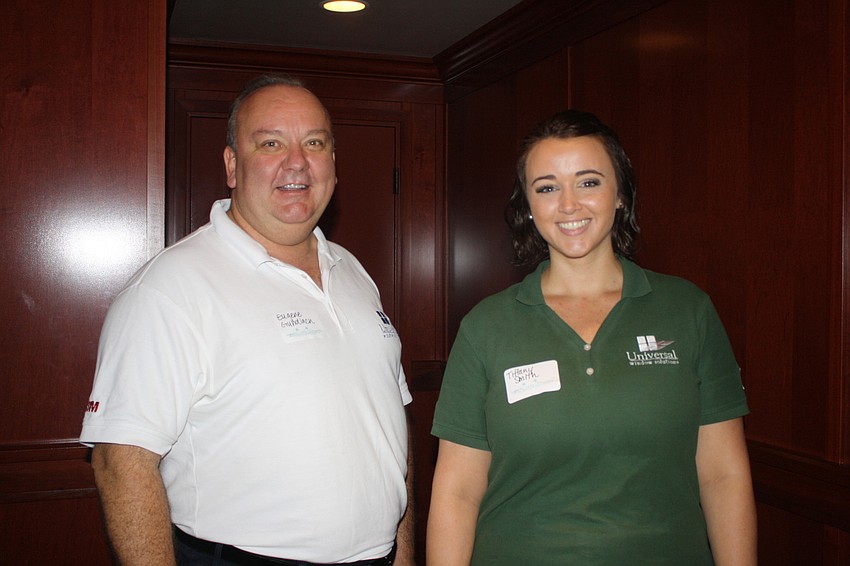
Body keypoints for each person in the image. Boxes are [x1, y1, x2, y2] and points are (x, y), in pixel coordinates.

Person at [80, 74, 415, 566]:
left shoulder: (353, 271)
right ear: (232, 165)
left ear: (333, 163)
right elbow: (121, 462)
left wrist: (402, 555)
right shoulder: (169, 288)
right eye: (271, 143)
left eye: (314, 143)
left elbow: (389, 427)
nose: (297, 162)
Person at [426, 109, 756, 565]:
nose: (569, 204)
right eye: (547, 188)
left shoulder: (688, 311)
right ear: (528, 205)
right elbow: (458, 492)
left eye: (588, 182)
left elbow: (722, 475)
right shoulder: (485, 327)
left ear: (620, 194)